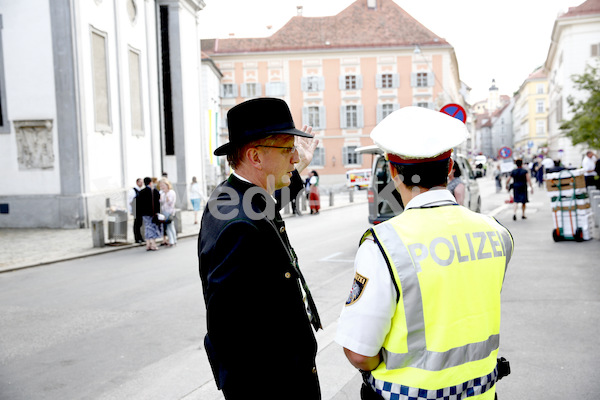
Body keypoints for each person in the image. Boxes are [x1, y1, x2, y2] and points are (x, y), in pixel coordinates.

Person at [335, 106, 513, 400]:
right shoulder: (497, 232)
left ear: (393, 171)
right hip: (483, 393)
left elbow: (359, 353)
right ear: (450, 167)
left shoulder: (384, 244)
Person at [198, 98, 322, 399]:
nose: (295, 158)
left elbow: (266, 207)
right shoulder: (240, 227)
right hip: (275, 386)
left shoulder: (234, 196)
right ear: (255, 156)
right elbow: (228, 334)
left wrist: (295, 169)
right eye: (287, 149)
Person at [136, 177, 161, 251]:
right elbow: (158, 203)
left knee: (147, 227)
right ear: (150, 183)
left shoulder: (141, 192)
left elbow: (137, 204)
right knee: (152, 228)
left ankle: (148, 244)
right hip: (152, 213)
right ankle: (153, 244)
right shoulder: (154, 191)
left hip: (144, 214)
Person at [159, 178, 177, 247]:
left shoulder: (171, 192)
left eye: (163, 185)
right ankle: (173, 240)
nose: (162, 187)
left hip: (170, 211)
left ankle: (172, 241)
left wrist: (167, 198)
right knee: (170, 226)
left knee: (169, 226)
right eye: (161, 186)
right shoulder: (162, 193)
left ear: (167, 185)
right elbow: (160, 202)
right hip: (164, 212)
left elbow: (170, 202)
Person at [128, 178, 144, 243]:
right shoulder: (133, 191)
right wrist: (131, 211)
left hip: (140, 209)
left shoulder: (140, 190)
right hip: (136, 209)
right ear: (137, 182)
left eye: (142, 182)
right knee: (136, 224)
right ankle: (137, 238)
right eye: (140, 182)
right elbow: (130, 202)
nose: (141, 183)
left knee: (140, 223)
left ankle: (140, 237)